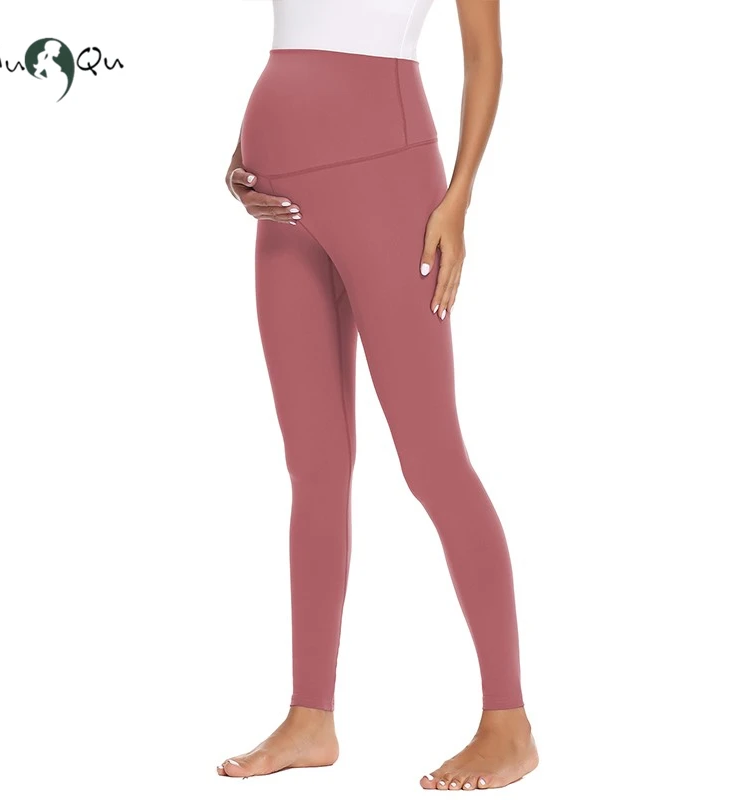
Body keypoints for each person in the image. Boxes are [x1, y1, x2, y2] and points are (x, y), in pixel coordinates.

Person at [219, 0, 539, 789]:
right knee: (314, 468)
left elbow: (485, 57)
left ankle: (509, 724)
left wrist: (458, 199)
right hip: (278, 205)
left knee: (432, 462)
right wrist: (244, 151)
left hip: (387, 184)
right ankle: (310, 719)